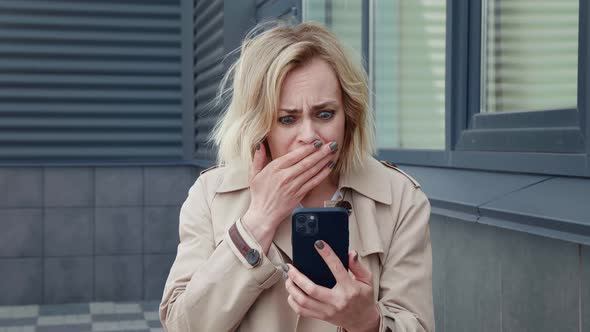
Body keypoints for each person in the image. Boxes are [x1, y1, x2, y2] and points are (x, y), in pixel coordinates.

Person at [159, 22, 434, 332]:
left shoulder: (399, 198)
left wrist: (367, 322)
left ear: (349, 116)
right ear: (260, 125)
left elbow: (418, 323)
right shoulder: (210, 195)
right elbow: (182, 325)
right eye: (287, 119)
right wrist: (257, 222)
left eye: (325, 114)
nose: (309, 136)